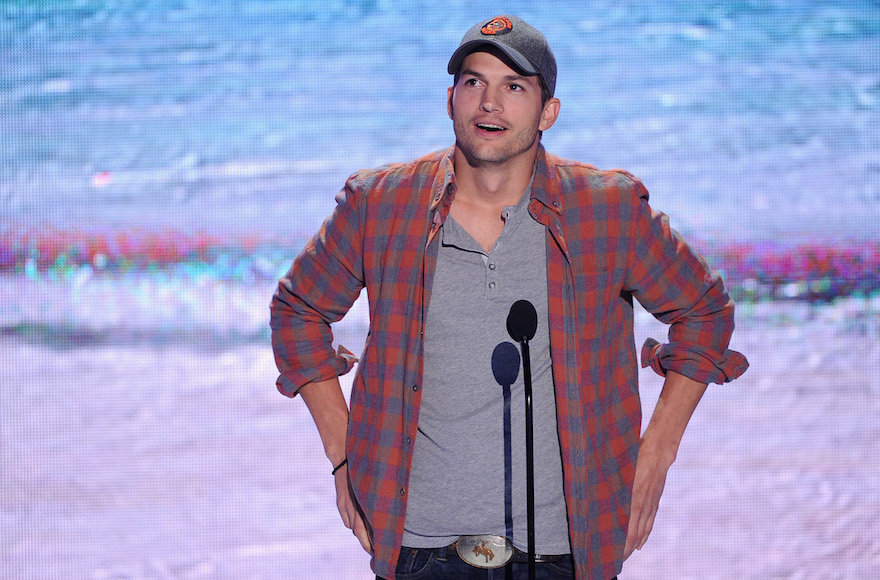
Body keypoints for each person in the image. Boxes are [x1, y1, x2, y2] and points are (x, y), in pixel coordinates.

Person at [270, 15, 748, 580]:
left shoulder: (607, 211)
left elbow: (704, 313)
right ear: (451, 99)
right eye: (474, 82)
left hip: (565, 551)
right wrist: (342, 453)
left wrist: (656, 458)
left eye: (513, 87)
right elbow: (298, 311)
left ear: (548, 111)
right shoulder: (381, 205)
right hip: (417, 549)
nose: (489, 104)